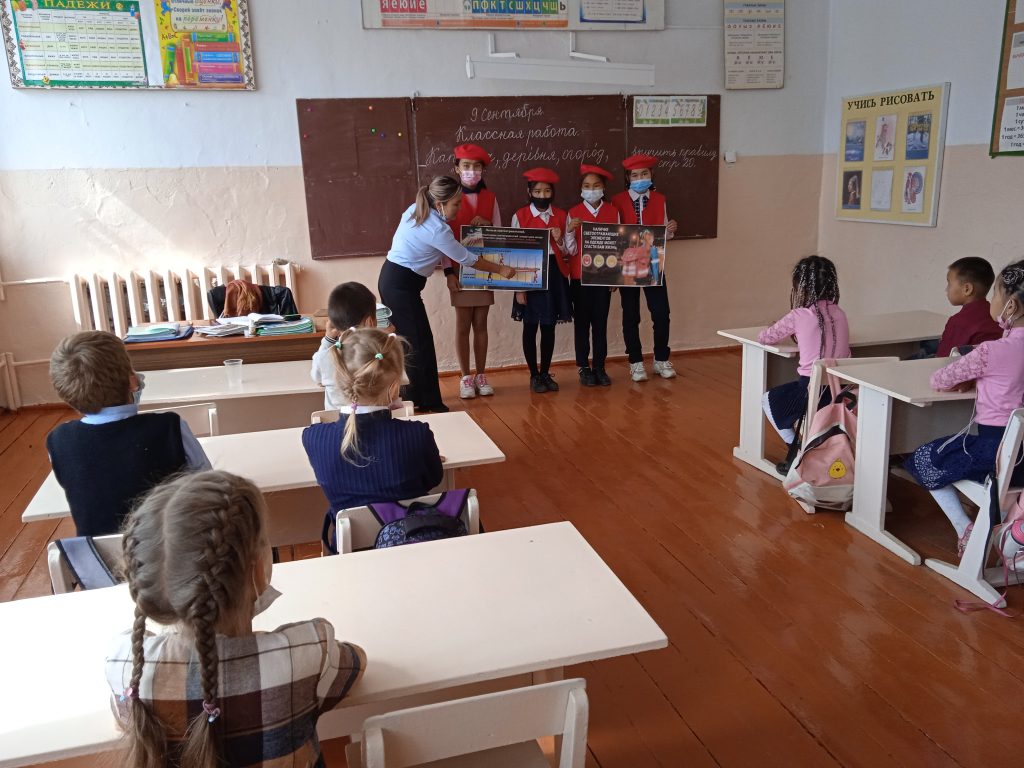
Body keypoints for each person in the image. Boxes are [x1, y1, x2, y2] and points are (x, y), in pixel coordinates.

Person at [106, 470, 365, 768]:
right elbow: (356, 663)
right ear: (258, 571)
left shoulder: (125, 667)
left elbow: (121, 716)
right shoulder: (308, 652)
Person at [905, 260, 1024, 557]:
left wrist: (975, 376)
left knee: (923, 459)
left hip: (997, 456)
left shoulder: (991, 351)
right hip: (1021, 461)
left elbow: (939, 379)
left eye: (995, 294)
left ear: (1010, 305)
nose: (991, 302)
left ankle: (965, 529)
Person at [46, 330, 211, 536]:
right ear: (133, 382)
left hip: (97, 554)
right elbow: (206, 483)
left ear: (65, 394)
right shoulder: (169, 426)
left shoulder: (58, 440)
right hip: (166, 550)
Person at [379, 176, 516, 413]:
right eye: (456, 204)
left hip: (396, 280)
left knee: (415, 342)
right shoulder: (437, 230)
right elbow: (468, 259)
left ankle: (418, 397)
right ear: (440, 204)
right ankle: (428, 401)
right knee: (418, 343)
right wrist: (501, 269)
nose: (459, 208)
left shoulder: (416, 210)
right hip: (400, 285)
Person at [302, 328, 444, 550]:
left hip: (350, 553)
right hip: (413, 545)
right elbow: (434, 479)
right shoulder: (417, 435)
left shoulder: (313, 438)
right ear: (395, 385)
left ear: (338, 378)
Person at [758, 256, 851, 475]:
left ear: (800, 286)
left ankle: (797, 449)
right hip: (840, 391)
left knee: (768, 400)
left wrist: (780, 326)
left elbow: (765, 337)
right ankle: (806, 448)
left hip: (810, 391)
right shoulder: (839, 313)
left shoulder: (799, 315)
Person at [610, 154, 679, 382]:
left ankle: (661, 359)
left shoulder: (659, 199)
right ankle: (636, 362)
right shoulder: (617, 201)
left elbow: (663, 234)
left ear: (651, 175)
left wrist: (670, 229)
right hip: (628, 263)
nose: (640, 178)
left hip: (653, 262)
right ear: (628, 178)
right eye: (635, 175)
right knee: (631, 314)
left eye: (644, 174)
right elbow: (613, 235)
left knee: (661, 313)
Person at [443, 144, 502, 400]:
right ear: (457, 169)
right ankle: (465, 376)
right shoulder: (449, 199)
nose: (471, 171)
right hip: (460, 270)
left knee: (481, 323)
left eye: (477, 167)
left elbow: (501, 236)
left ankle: (481, 374)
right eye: (466, 166)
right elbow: (443, 238)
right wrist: (448, 272)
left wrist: (488, 225)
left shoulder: (490, 198)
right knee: (462, 324)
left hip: (485, 268)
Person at [510, 167, 573, 393]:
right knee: (530, 325)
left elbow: (568, 251)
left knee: (549, 326)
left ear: (552, 192)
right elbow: (515, 253)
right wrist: (519, 288)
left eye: (547, 191)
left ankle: (545, 372)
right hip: (529, 273)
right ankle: (534, 375)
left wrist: (560, 239)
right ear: (529, 192)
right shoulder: (520, 216)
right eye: (537, 191)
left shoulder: (562, 215)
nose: (542, 195)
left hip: (554, 273)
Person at [565, 163, 618, 387]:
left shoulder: (613, 211)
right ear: (581, 189)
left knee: (600, 324)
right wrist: (570, 231)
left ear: (603, 188)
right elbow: (570, 250)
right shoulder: (573, 212)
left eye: (596, 185)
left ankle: (599, 366)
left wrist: (615, 277)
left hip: (603, 278)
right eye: (587, 186)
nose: (592, 189)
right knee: (582, 324)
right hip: (580, 278)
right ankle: (583, 367)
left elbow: (617, 246)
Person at [311, 281, 377, 410]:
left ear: (334, 322)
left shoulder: (324, 357)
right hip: (376, 421)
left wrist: (328, 339)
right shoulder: (381, 354)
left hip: (336, 421)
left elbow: (316, 377)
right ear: (370, 321)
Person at [935, 257, 1002, 357]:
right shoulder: (998, 317)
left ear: (967, 289)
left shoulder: (957, 322)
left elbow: (942, 359)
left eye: (949, 284)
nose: (946, 289)